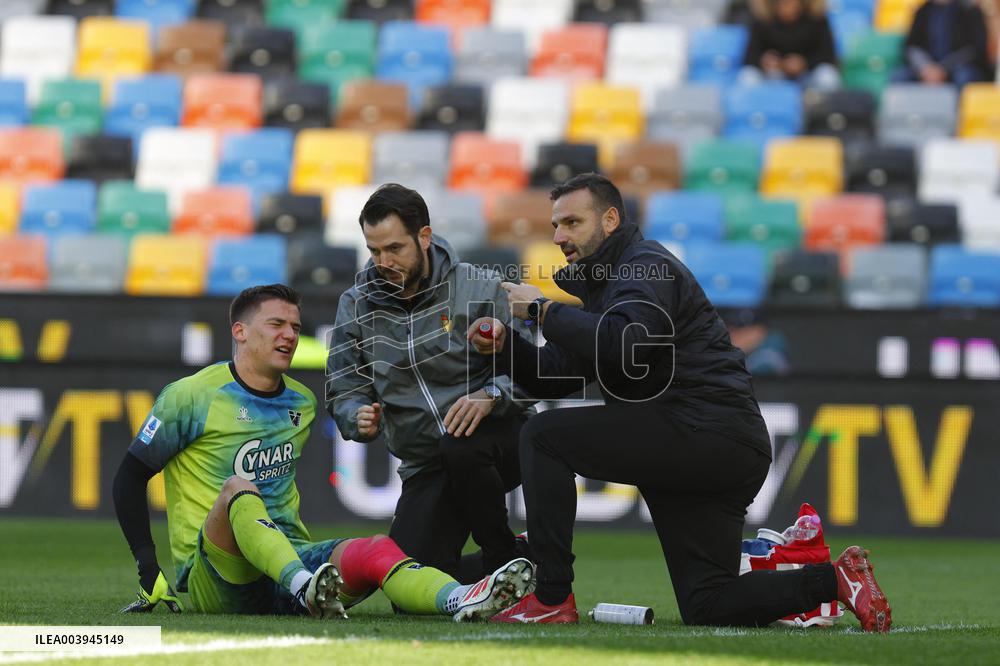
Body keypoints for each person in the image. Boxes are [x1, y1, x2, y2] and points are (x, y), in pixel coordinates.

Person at [467, 173, 891, 631]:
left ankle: (551, 596)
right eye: (555, 225)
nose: (558, 237)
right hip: (707, 444)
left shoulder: (645, 267)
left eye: (571, 222)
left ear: (610, 219)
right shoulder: (606, 287)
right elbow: (553, 376)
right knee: (709, 603)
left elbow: (626, 344)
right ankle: (836, 581)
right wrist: (505, 346)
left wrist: (541, 310)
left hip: (705, 429)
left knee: (543, 436)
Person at [113, 284, 533, 619]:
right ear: (239, 331)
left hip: (290, 556)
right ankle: (303, 587)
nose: (289, 335)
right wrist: (149, 569)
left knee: (374, 549)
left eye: (295, 327)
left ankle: (462, 598)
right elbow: (129, 477)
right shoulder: (189, 396)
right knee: (239, 488)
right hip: (219, 574)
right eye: (276, 324)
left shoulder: (301, 402)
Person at [327, 184, 534, 584]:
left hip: (498, 442)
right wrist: (356, 416)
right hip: (426, 464)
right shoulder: (355, 304)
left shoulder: (479, 287)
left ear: (424, 237)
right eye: (374, 251)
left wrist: (491, 395)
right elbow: (344, 386)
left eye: (394, 248)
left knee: (460, 444)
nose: (383, 261)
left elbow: (535, 372)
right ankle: (525, 559)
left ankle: (501, 552)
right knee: (412, 583)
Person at [740, 0, 841, 90]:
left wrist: (804, 64)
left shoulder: (817, 18)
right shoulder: (762, 20)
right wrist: (764, 61)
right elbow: (749, 57)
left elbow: (828, 56)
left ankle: (826, 110)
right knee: (748, 76)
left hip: (807, 76)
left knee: (827, 76)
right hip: (772, 75)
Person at [894, 0, 991, 87]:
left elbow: (974, 50)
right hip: (927, 69)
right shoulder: (923, 10)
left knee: (965, 77)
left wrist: (943, 69)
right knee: (899, 77)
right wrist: (925, 67)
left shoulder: (969, 10)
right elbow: (912, 46)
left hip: (958, 68)